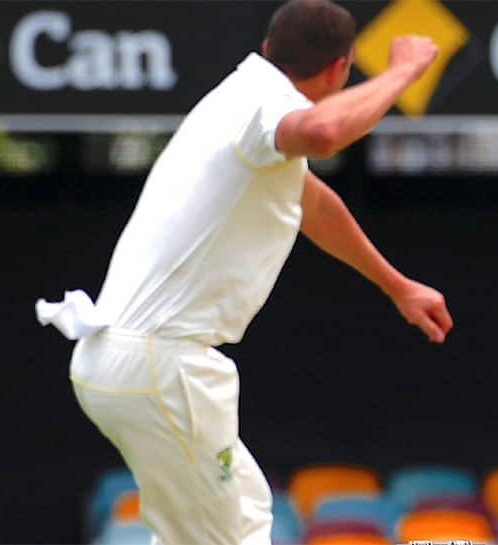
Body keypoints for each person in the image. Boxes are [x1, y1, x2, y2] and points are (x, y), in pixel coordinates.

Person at [34, 1, 452, 543]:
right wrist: (403, 71)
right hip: (161, 365)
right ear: (339, 69)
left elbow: (312, 203)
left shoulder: (239, 100)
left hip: (130, 361)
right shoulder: (264, 107)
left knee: (248, 516)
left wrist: (397, 285)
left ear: (268, 47)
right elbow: (325, 132)